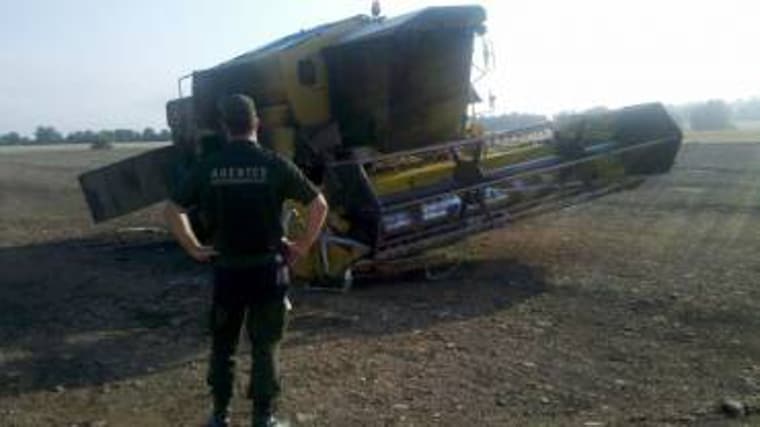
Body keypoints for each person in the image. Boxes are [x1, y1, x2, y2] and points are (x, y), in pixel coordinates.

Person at [164, 94, 328, 427]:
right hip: (269, 272)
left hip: (228, 273)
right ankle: (262, 418)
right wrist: (301, 245)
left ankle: (219, 416)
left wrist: (194, 247)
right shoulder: (274, 163)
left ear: (225, 127)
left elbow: (173, 209)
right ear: (257, 123)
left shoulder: (209, 166)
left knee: (223, 347)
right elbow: (319, 205)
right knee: (265, 346)